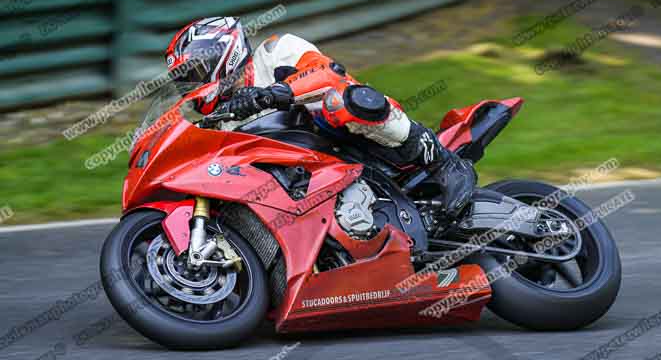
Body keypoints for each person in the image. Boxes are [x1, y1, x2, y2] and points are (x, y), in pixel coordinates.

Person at [165, 16, 476, 217]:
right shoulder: (219, 120)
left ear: (223, 53)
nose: (191, 84)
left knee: (342, 99)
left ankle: (444, 162)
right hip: (298, 183)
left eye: (194, 72)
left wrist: (272, 94)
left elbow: (327, 72)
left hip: (339, 141)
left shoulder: (275, 52)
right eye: (184, 80)